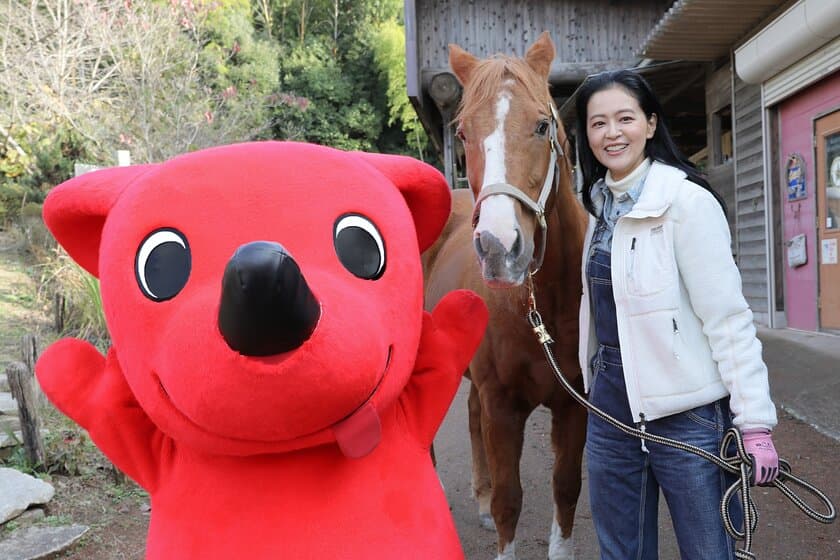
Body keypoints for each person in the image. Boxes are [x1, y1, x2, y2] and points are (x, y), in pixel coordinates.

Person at [574, 69, 780, 559]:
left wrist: (754, 422)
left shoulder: (688, 203)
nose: (611, 133)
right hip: (610, 405)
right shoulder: (598, 207)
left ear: (650, 124)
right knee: (621, 550)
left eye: (624, 118)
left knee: (708, 551)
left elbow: (727, 319)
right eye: (598, 123)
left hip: (685, 410)